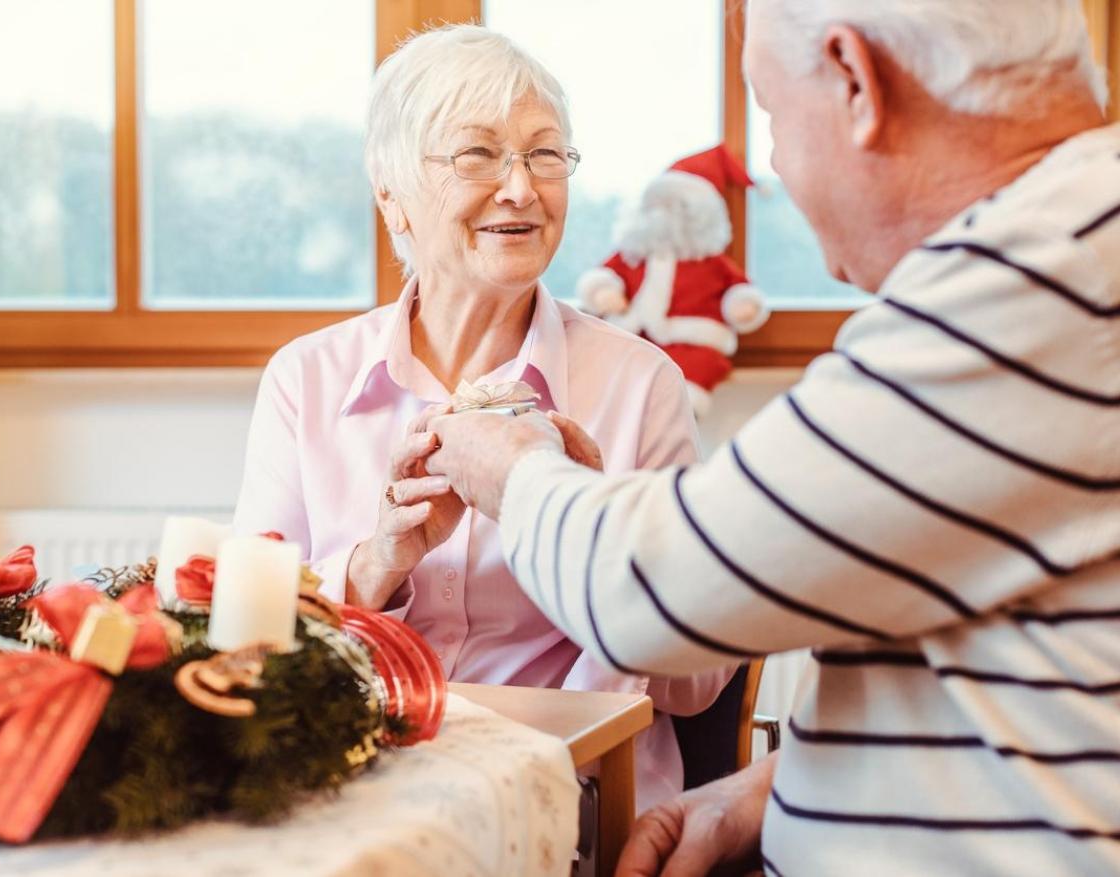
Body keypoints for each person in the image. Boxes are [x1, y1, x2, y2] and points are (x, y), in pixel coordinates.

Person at [423, 1, 1120, 873]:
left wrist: (515, 463)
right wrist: (771, 788)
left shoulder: (1038, 278)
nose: (781, 165)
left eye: (774, 118)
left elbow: (656, 590)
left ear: (856, 81)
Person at [231, 23, 731, 812]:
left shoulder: (641, 384)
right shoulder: (307, 380)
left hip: (575, 801)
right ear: (390, 192)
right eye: (478, 154)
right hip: (356, 793)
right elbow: (243, 649)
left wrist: (593, 535)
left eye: (544, 153)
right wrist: (376, 562)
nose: (522, 188)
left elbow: (698, 686)